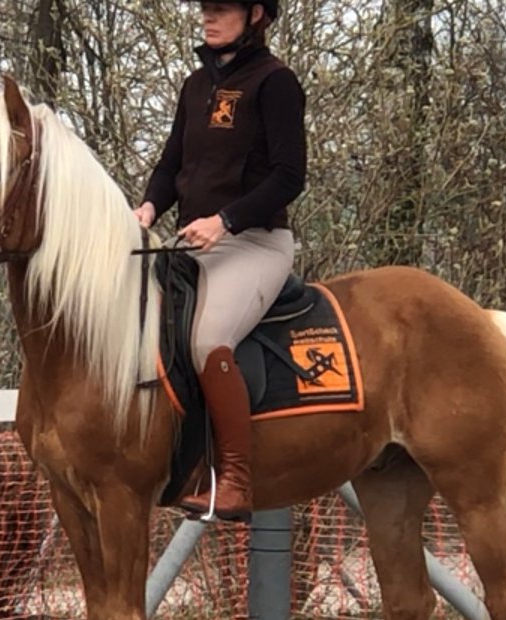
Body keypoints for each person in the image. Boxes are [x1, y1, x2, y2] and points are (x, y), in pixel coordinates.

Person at [135, 0, 306, 522]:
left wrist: (225, 221)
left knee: (208, 339)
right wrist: (146, 208)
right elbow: (171, 164)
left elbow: (289, 176)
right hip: (195, 242)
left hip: (254, 243)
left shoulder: (276, 83)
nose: (208, 16)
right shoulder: (195, 85)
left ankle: (235, 478)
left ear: (256, 14)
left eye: (221, 8)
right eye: (205, 7)